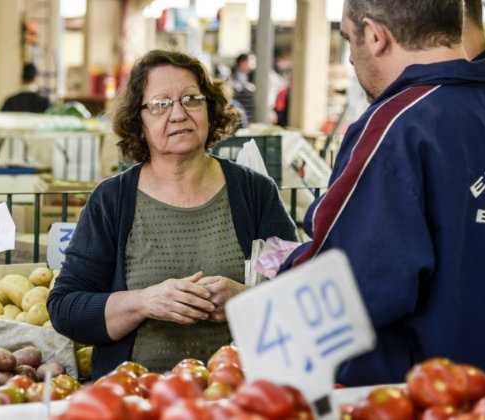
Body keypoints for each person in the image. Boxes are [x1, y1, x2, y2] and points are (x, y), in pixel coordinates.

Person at [282, 0, 485, 385]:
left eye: (349, 40)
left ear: (375, 35)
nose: (351, 59)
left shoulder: (396, 127)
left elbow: (345, 286)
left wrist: (269, 299)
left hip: (432, 395)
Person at [47, 50, 297, 379]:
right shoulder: (112, 200)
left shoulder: (254, 192)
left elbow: (297, 294)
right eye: (161, 104)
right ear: (140, 122)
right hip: (134, 397)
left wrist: (245, 298)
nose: (178, 114)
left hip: (239, 394)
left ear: (210, 109)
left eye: (191, 99)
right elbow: (65, 309)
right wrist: (144, 302)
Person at [230, 53, 256, 124]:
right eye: (251, 61)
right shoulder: (235, 79)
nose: (253, 64)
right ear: (243, 63)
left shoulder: (245, 78)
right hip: (241, 118)